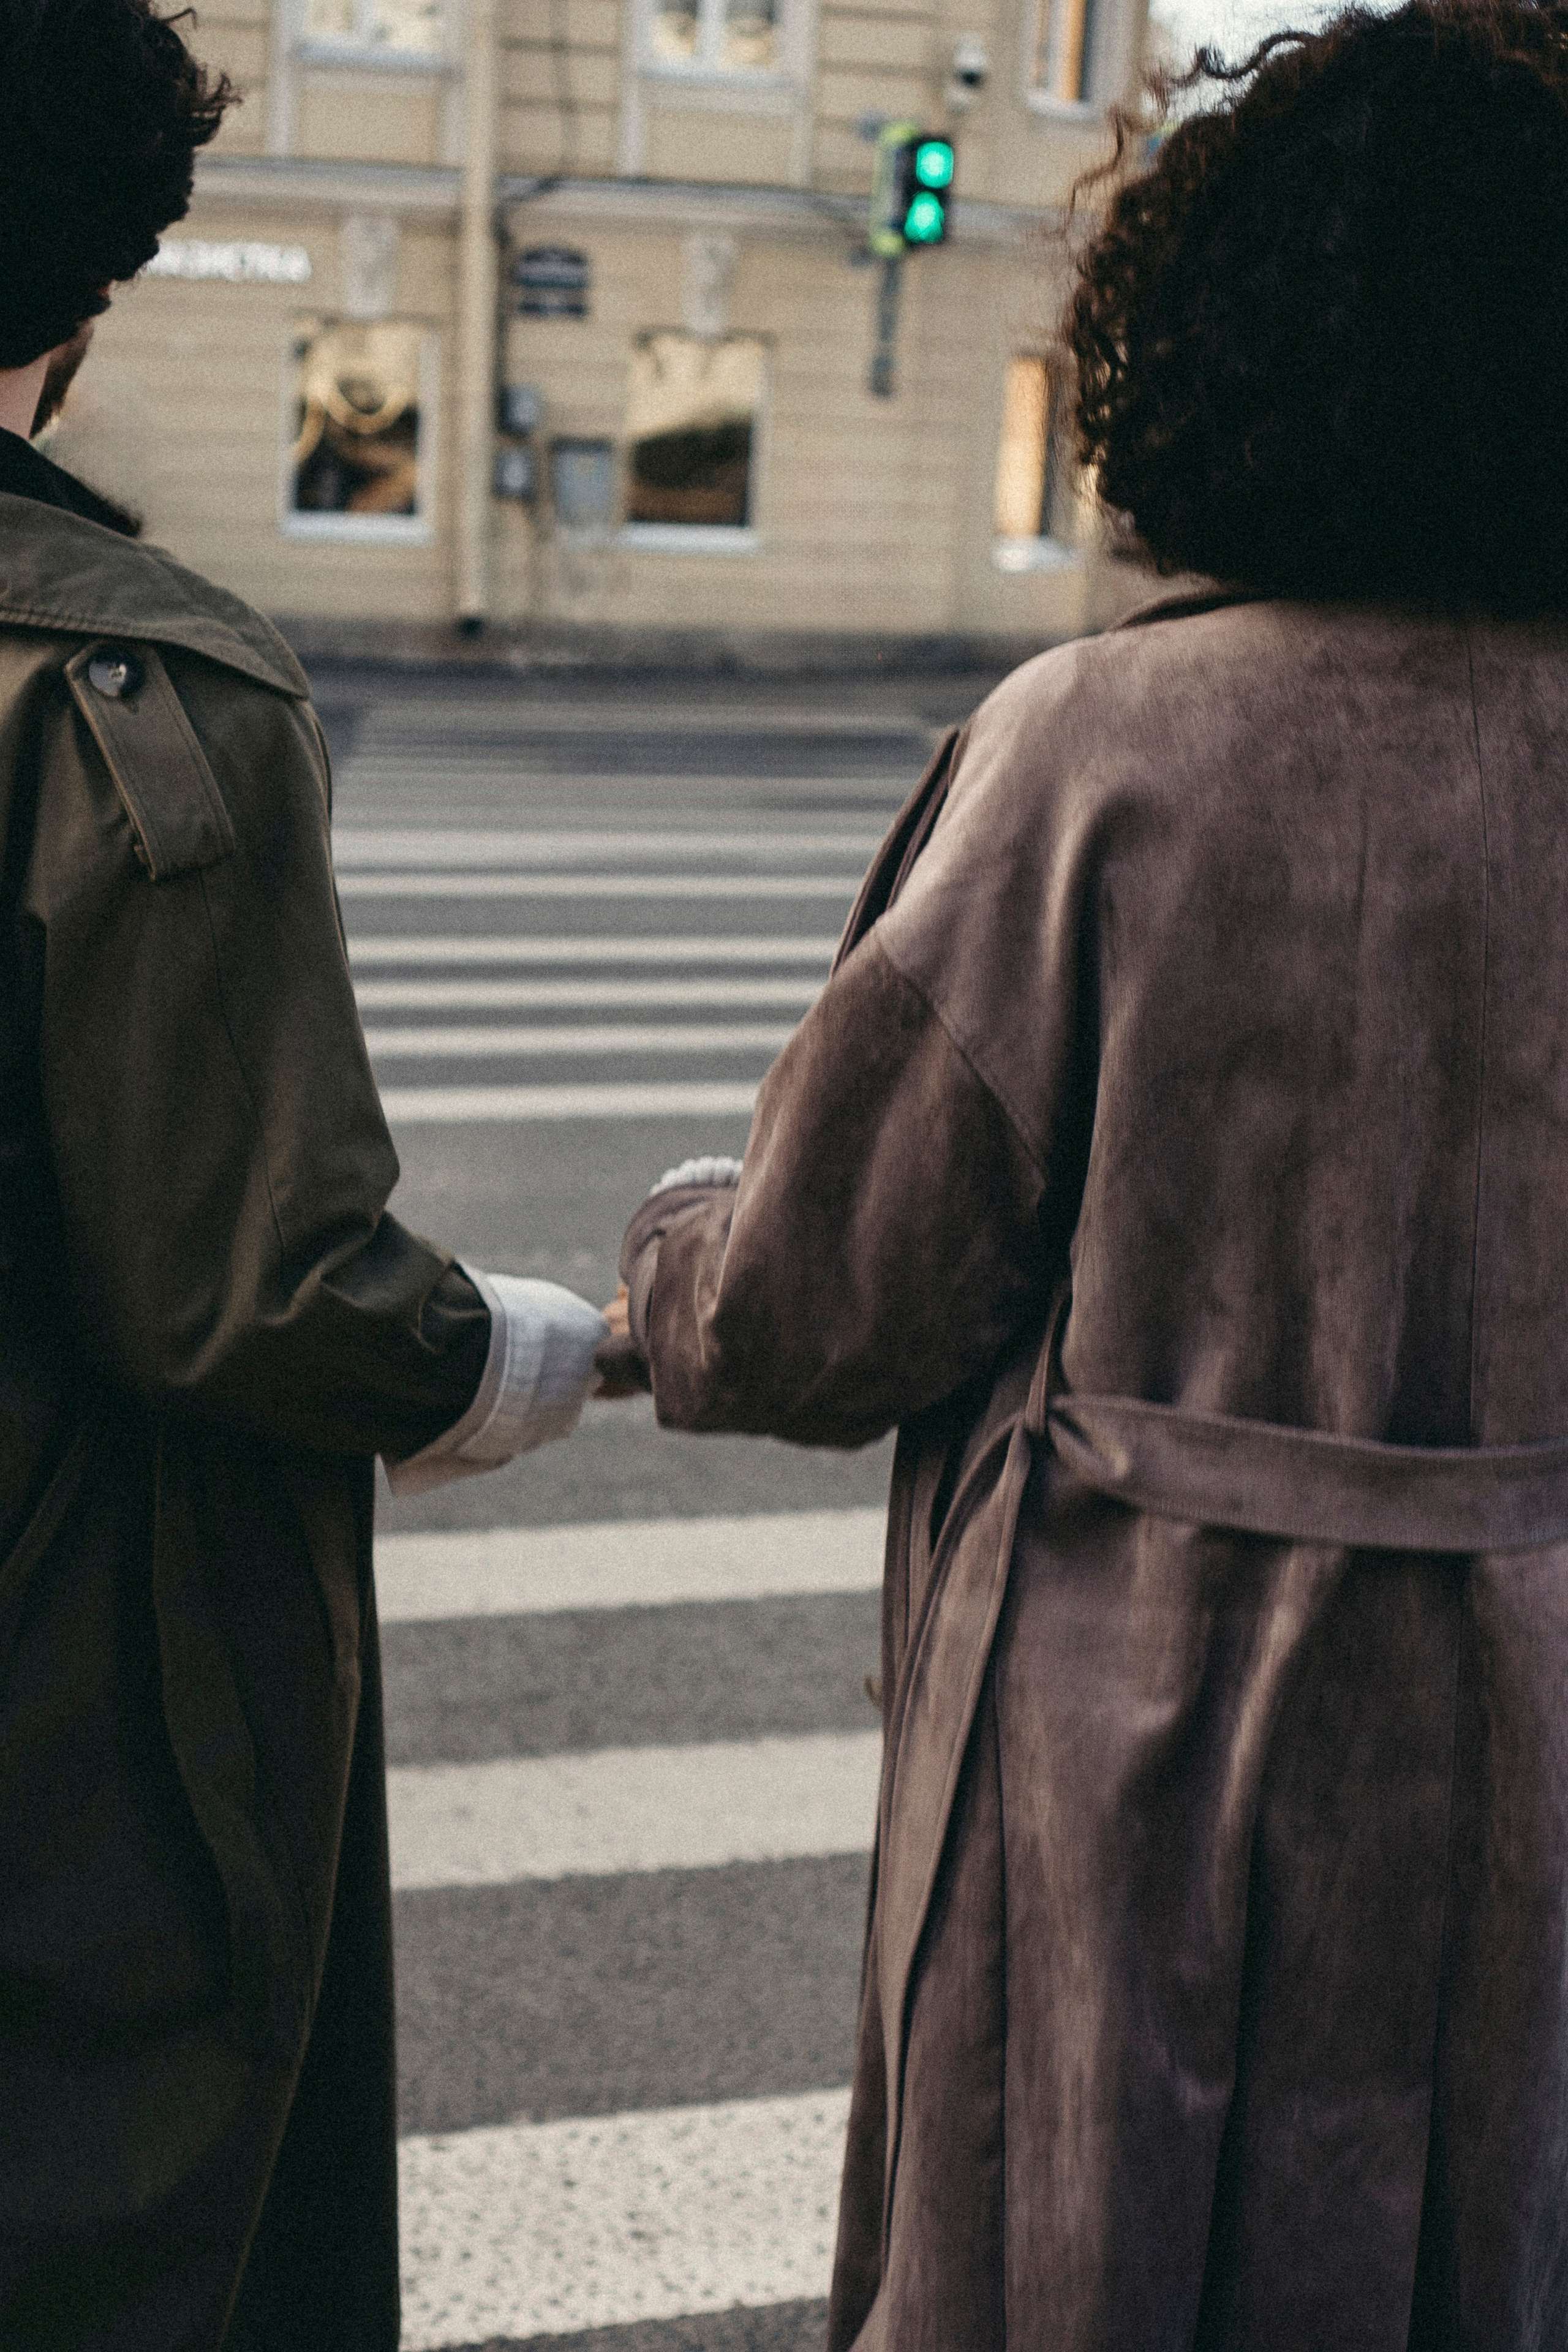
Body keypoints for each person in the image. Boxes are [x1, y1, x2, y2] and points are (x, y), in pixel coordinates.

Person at [601, 4, 1568, 2343]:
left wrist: (668, 1260)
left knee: (1082, 2258)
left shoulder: (1102, 747)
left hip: (1132, 1755)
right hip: (1534, 1738)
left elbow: (824, 1301)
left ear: (1223, 337)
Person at [0, 4, 607, 2343]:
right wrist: (538, 1352)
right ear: (83, 286)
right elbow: (255, 1289)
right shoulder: (129, 693)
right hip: (60, 1739)